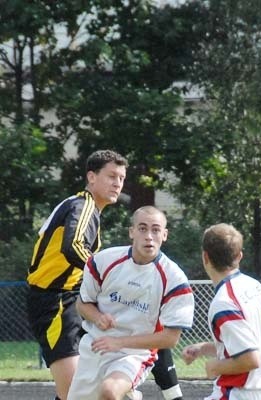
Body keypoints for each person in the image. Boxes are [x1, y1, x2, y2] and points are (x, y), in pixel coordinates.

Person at [27, 150, 184, 400]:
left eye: (121, 178)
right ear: (91, 177)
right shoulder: (83, 205)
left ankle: (164, 393)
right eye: (111, 176)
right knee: (72, 394)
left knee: (146, 322)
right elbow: (72, 246)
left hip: (71, 298)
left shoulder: (88, 210)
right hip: (55, 302)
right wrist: (104, 273)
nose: (117, 183)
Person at [66, 206, 195, 400]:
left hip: (135, 353)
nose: (149, 236)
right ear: (131, 232)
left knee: (109, 392)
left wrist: (119, 342)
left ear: (165, 235)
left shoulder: (174, 279)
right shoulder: (102, 261)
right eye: (142, 229)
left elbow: (170, 338)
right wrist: (98, 317)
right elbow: (82, 304)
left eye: (156, 230)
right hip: (95, 346)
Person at [181, 223, 261, 400]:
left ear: (205, 257)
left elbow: (250, 359)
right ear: (239, 256)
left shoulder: (225, 302)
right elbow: (247, 345)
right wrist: (203, 348)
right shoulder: (254, 286)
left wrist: (214, 367)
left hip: (238, 393)